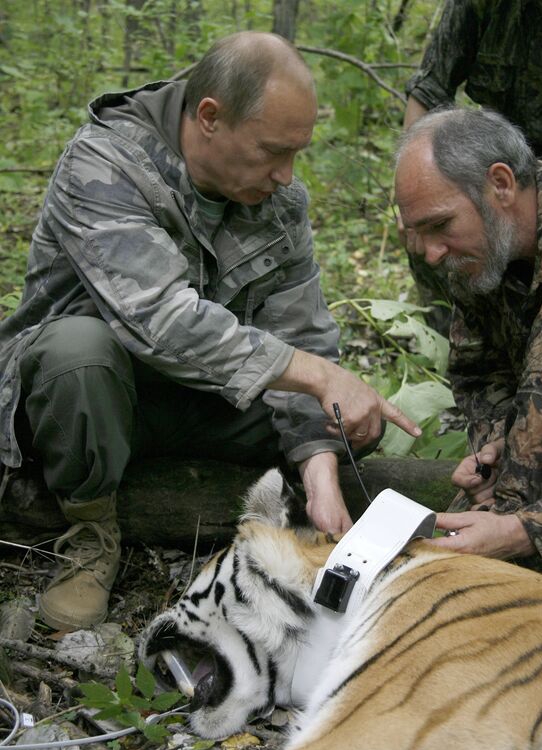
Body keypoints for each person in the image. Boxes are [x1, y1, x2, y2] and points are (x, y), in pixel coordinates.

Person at [0, 32, 420, 632]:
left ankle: (301, 505)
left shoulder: (277, 198)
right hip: (78, 402)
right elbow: (161, 320)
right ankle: (89, 529)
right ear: (210, 118)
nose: (286, 175)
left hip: (190, 399)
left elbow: (300, 330)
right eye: (273, 151)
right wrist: (317, 374)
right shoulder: (103, 163)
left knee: (350, 418)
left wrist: (321, 468)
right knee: (79, 352)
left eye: (297, 153)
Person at [393, 106, 542, 564]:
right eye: (418, 231)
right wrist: (494, 448)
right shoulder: (479, 251)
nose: (430, 254)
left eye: (441, 226)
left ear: (501, 185)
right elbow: (479, 372)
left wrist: (527, 529)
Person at [402, 0, 542, 331]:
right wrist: (412, 201)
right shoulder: (477, 6)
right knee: (436, 236)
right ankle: (459, 355)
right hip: (502, 182)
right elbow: (427, 92)